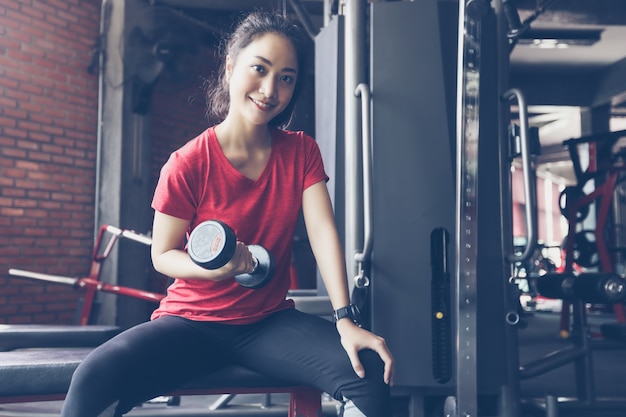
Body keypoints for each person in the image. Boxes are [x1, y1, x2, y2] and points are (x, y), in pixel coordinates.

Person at [60, 10, 394, 417]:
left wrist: (345, 318)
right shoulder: (187, 163)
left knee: (368, 372)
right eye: (260, 69)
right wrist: (216, 270)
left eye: (285, 78)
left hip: (266, 324)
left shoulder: (301, 151)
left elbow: (323, 231)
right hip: (190, 323)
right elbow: (162, 255)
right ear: (231, 66)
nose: (270, 89)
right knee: (93, 377)